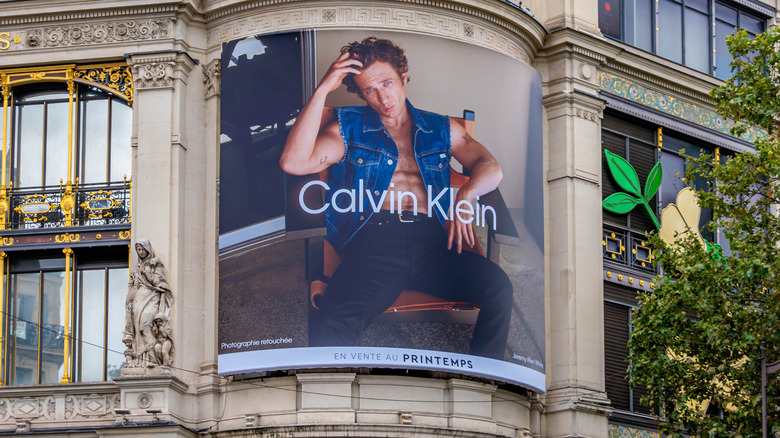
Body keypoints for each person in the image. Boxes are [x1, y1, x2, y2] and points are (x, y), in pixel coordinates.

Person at [280, 37, 512, 359]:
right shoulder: (349, 128)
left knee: (498, 289)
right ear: (361, 94)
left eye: (387, 82)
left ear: (403, 75)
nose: (383, 97)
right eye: (370, 90)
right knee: (332, 326)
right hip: (374, 242)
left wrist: (467, 195)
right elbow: (294, 162)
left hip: (434, 242)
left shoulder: (440, 128)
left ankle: (485, 377)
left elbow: (491, 167)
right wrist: (322, 90)